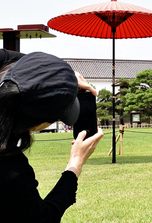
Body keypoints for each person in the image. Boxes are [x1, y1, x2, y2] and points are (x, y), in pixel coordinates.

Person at [0, 51, 104, 222]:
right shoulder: (10, 168)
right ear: (36, 125)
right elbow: (43, 219)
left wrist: (61, 75)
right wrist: (74, 166)